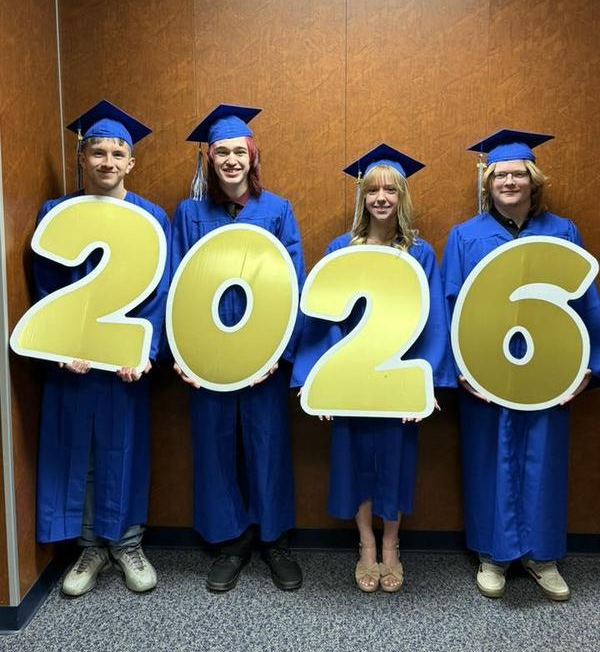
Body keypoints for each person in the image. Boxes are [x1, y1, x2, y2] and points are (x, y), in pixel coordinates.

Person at [441, 129, 600, 601]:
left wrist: (590, 363)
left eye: (518, 174)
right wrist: (460, 372)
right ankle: (494, 555)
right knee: (489, 457)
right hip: (486, 373)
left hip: (548, 369)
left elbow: (586, 303)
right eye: (500, 175)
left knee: (544, 458)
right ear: (487, 184)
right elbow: (449, 307)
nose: (509, 182)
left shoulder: (563, 232)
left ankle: (542, 556)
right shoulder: (464, 237)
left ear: (533, 181)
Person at [292, 144, 455, 593]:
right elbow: (323, 320)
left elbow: (432, 324)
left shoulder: (418, 254)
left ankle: (391, 545)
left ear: (402, 196)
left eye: (390, 189)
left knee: (395, 464)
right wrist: (317, 384)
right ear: (361, 197)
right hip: (351, 379)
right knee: (355, 462)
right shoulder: (340, 249)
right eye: (372, 189)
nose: (381, 197)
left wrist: (424, 387)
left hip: (395, 380)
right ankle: (365, 545)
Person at [33, 100, 170, 596]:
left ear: (132, 162)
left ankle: (128, 543)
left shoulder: (152, 216)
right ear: (82, 159)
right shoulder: (56, 214)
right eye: (98, 152)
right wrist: (60, 345)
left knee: (125, 447)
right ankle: (91, 546)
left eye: (118, 153)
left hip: (124, 361)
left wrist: (142, 349)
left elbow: (161, 290)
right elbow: (48, 287)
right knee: (80, 450)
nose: (108, 161)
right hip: (74, 359)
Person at [171, 104, 305, 592]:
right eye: (222, 152)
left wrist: (280, 353)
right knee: (214, 444)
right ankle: (230, 543)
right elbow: (174, 287)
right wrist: (183, 355)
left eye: (239, 152)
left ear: (253, 157)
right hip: (206, 353)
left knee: (267, 444)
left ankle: (273, 541)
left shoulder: (278, 210)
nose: (231, 160)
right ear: (210, 159)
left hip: (263, 354)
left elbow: (294, 283)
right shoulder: (188, 214)